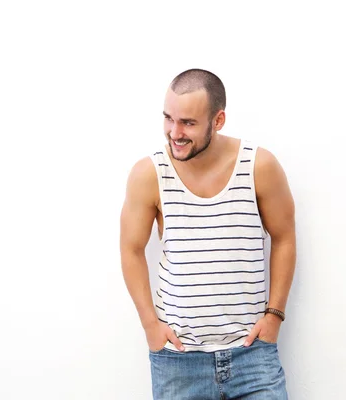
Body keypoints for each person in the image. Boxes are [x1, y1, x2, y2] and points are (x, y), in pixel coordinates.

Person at [120, 68, 296, 399]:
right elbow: (131, 249)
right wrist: (149, 326)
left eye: (188, 122)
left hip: (252, 356)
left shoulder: (259, 166)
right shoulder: (149, 173)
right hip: (179, 362)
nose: (175, 132)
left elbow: (284, 236)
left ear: (218, 121)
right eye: (168, 118)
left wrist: (274, 315)